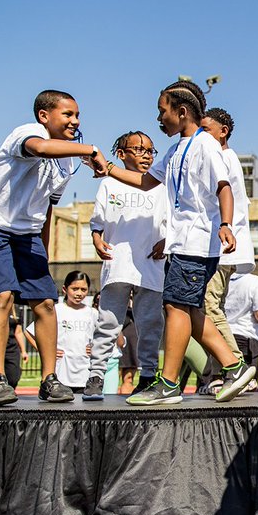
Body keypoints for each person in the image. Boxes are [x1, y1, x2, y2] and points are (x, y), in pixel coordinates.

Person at [89, 80, 250, 406]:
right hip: (182, 245)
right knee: (189, 310)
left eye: (162, 111)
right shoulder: (176, 150)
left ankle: (169, 383)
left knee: (175, 306)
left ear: (181, 111)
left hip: (196, 243)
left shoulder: (206, 145)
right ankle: (234, 366)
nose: (159, 117)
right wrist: (108, 169)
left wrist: (226, 225)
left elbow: (224, 186)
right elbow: (147, 182)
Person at [0, 89, 99, 407]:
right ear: (44, 115)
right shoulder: (29, 132)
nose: (75, 121)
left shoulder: (66, 162)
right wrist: (90, 150)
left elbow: (48, 206)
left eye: (77, 115)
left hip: (27, 233)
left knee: (46, 303)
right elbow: (40, 148)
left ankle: (49, 380)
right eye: (67, 114)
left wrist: (45, 249)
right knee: (2, 295)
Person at [87, 131, 167, 399]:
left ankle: (147, 376)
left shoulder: (160, 185)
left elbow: (172, 221)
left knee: (150, 324)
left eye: (150, 151)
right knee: (108, 321)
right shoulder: (109, 183)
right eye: (139, 150)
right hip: (117, 262)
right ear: (121, 154)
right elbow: (98, 219)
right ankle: (96, 376)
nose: (146, 155)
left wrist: (166, 241)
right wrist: (97, 238)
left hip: (150, 264)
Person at [197, 107, 257, 398]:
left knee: (208, 307)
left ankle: (236, 366)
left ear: (223, 132)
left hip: (223, 248)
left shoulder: (224, 157)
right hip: (220, 247)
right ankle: (219, 374)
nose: (200, 135)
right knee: (208, 309)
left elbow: (225, 203)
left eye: (206, 129)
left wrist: (224, 228)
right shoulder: (218, 156)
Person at [27, 272, 97, 392]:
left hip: (84, 374)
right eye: (74, 289)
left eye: (83, 289)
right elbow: (29, 333)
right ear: (65, 289)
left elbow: (103, 336)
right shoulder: (56, 311)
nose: (79, 293)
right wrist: (46, 351)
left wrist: (95, 348)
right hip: (61, 373)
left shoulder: (93, 313)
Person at [222, 269, 258, 392]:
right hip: (246, 337)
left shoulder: (222, 279)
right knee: (247, 388)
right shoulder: (255, 281)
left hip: (223, 337)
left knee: (225, 385)